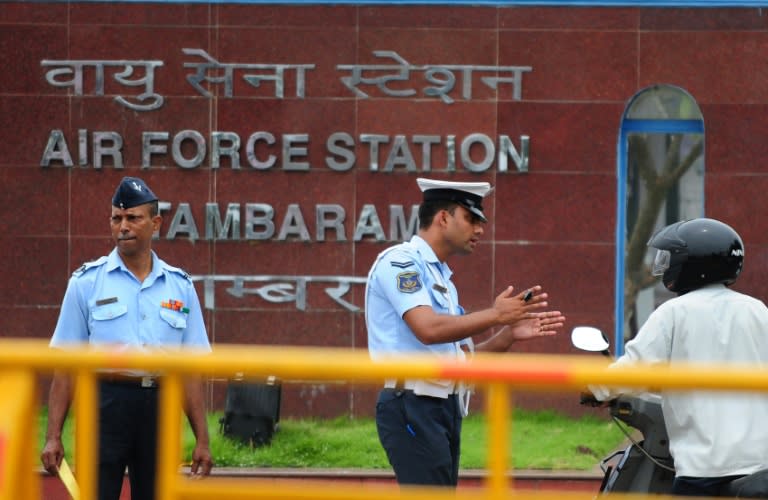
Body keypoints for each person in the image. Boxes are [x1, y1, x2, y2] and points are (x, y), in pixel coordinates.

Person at [365, 177, 566, 487]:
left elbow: (463, 359)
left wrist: (507, 335)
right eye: (471, 219)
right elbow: (428, 330)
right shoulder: (401, 262)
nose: (480, 229)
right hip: (412, 403)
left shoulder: (442, 279)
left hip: (441, 406)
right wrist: (497, 314)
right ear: (443, 218)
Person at [40, 176, 214, 500]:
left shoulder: (180, 286)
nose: (123, 227)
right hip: (104, 404)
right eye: (116, 218)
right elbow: (65, 365)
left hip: (160, 405)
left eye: (133, 218)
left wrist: (202, 439)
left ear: (156, 222)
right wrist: (53, 436)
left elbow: (189, 370)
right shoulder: (86, 283)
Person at [589, 217, 768, 497]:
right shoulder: (757, 310)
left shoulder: (674, 313)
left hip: (704, 470)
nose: (665, 265)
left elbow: (634, 369)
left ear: (693, 264)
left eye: (672, 257)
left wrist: (595, 389)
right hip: (760, 467)